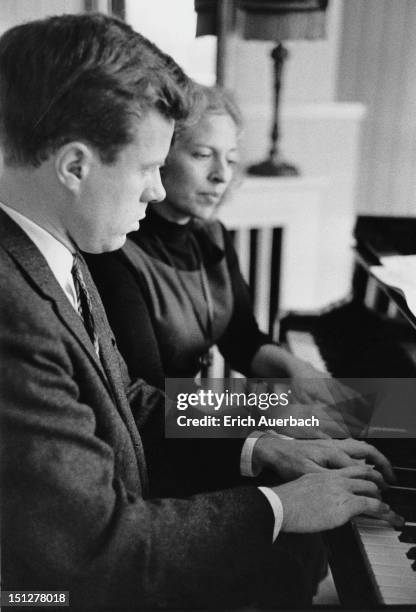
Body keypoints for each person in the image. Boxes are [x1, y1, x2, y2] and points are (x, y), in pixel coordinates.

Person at [0, 14, 401, 611]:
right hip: (46, 589)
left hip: (205, 418)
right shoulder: (102, 254)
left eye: (232, 157)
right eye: (153, 166)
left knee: (378, 410)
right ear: (76, 166)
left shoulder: (99, 239)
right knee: (371, 417)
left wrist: (274, 422)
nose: (162, 187)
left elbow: (230, 344)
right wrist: (281, 437)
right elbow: (89, 547)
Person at [86, 84, 364, 436]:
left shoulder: (211, 234)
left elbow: (241, 337)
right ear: (160, 158)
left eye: (231, 159)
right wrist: (276, 414)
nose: (221, 174)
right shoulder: (117, 254)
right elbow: (150, 398)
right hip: (162, 437)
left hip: (198, 417)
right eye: (202, 154)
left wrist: (300, 371)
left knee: (393, 415)